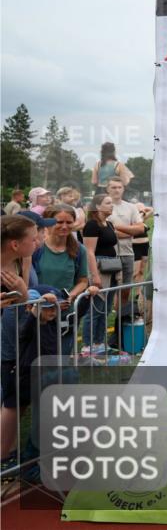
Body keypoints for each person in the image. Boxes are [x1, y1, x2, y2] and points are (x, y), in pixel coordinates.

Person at [0, 214, 58, 479]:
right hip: (10, 347)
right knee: (12, 402)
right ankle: (3, 457)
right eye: (33, 239)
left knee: (15, 400)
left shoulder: (12, 268)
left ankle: (7, 455)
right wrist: (24, 295)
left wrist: (26, 295)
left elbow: (20, 305)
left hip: (14, 345)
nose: (38, 242)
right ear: (15, 244)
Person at [33, 204, 99, 354]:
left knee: (61, 356)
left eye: (69, 222)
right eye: (59, 222)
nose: (64, 226)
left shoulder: (79, 249)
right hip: (39, 313)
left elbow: (82, 281)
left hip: (65, 314)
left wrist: (71, 296)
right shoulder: (37, 249)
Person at [81, 193, 120, 350]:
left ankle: (99, 342)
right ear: (97, 207)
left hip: (111, 267)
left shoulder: (109, 224)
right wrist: (95, 275)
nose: (112, 205)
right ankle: (88, 344)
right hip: (98, 267)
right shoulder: (92, 225)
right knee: (96, 308)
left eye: (111, 202)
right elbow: (89, 251)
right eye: (108, 202)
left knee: (106, 308)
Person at [106, 177, 145, 320]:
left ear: (123, 189)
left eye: (119, 187)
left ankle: (121, 316)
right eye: (113, 187)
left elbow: (141, 228)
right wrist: (130, 230)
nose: (117, 190)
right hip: (109, 255)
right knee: (108, 289)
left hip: (128, 253)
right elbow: (108, 233)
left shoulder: (131, 207)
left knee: (126, 288)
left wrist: (116, 228)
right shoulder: (104, 206)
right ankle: (103, 318)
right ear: (107, 189)